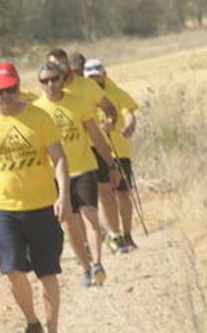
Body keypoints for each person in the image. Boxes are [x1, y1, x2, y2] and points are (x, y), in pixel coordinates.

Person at [0, 62, 72, 333]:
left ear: (18, 86)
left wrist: (63, 196)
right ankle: (32, 322)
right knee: (12, 270)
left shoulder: (39, 117)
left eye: (11, 89)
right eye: (0, 91)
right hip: (4, 209)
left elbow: (60, 159)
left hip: (41, 206)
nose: (7, 96)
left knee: (47, 272)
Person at [32, 61, 117, 287]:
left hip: (84, 168)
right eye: (45, 81)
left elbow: (96, 137)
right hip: (55, 176)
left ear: (63, 79)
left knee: (90, 215)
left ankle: (98, 263)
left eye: (54, 79)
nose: (51, 84)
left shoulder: (78, 103)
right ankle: (86, 267)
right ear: (40, 84)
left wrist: (110, 163)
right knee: (70, 223)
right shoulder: (37, 110)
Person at [47, 49, 121, 248]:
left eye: (62, 65)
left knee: (105, 190)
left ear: (69, 66)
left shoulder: (87, 86)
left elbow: (110, 108)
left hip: (95, 145)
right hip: (67, 153)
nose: (59, 70)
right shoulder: (48, 93)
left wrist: (111, 121)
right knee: (76, 205)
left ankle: (115, 235)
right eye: (54, 66)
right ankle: (91, 240)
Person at [86, 59, 142, 251]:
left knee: (123, 193)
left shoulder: (117, 92)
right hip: (97, 151)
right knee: (104, 193)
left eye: (97, 75)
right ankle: (114, 234)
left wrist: (128, 127)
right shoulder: (84, 97)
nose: (94, 79)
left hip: (120, 151)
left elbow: (129, 114)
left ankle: (127, 235)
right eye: (90, 76)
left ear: (104, 74)